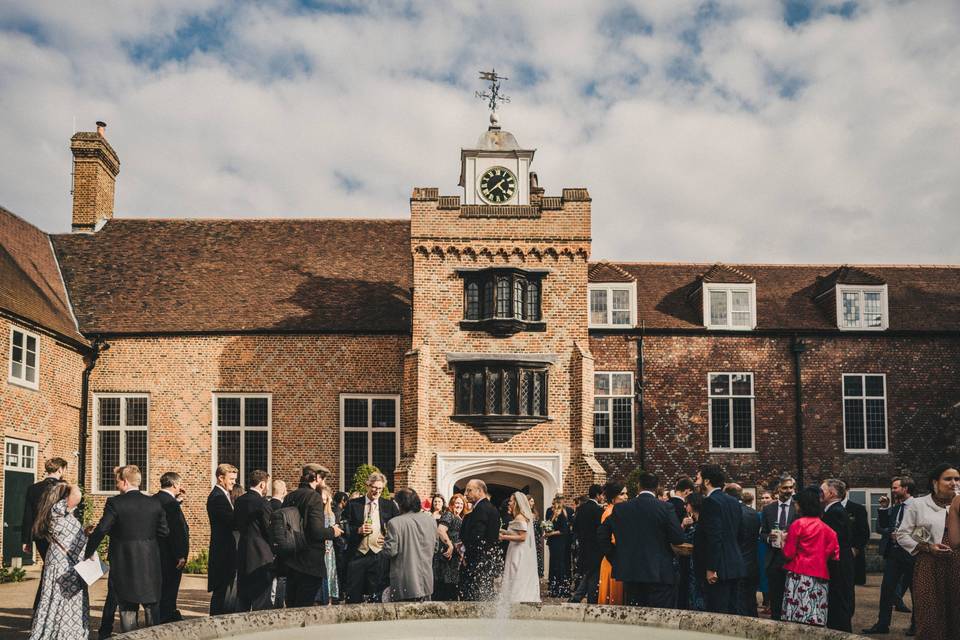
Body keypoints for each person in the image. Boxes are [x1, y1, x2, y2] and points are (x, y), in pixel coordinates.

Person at [86, 465, 169, 633]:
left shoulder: (115, 503)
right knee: (152, 610)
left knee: (128, 611)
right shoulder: (154, 503)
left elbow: (102, 529)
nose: (116, 485)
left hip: (124, 562)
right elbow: (164, 532)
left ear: (124, 481)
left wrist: (88, 551)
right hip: (149, 563)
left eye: (117, 481)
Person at [599, 471, 683, 607]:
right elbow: (678, 538)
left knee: (635, 615)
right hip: (659, 571)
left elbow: (602, 533)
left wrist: (614, 555)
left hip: (631, 571)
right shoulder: (665, 507)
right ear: (656, 488)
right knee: (660, 615)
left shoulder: (622, 509)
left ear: (638, 486)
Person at [895, 464, 959, 640]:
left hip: (957, 564)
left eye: (957, 479)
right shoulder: (919, 504)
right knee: (930, 610)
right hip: (929, 564)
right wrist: (928, 547)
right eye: (948, 479)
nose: (953, 482)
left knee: (956, 610)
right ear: (935, 482)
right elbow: (903, 534)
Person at [29, 482, 88, 640]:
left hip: (61, 560)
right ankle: (64, 633)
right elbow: (77, 495)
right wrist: (69, 484)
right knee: (65, 598)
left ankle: (59, 630)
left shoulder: (58, 512)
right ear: (63, 498)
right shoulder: (57, 509)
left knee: (57, 598)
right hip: (64, 564)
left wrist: (85, 532)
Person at [282, 465, 343, 607]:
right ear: (317, 477)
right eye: (324, 479)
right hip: (309, 561)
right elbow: (316, 531)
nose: (324, 483)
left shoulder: (290, 496)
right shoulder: (314, 497)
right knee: (304, 607)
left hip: (292, 559)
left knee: (292, 605)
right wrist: (333, 531)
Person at [863, 475, 917, 635]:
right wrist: (884, 508)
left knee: (916, 592)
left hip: (912, 555)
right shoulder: (897, 507)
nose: (892, 490)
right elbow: (886, 526)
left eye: (895, 487)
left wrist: (905, 537)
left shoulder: (918, 505)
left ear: (905, 489)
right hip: (893, 554)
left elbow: (924, 529)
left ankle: (916, 625)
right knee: (886, 590)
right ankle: (882, 625)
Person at [780, 487, 839, 627]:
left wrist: (783, 541)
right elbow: (834, 555)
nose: (795, 505)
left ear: (803, 505)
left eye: (796, 503)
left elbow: (788, 554)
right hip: (820, 576)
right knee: (815, 615)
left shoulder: (798, 524)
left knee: (795, 617)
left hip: (798, 575)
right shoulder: (828, 530)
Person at [693, 464, 745, 614]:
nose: (696, 482)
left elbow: (714, 537)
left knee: (717, 613)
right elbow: (740, 533)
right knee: (732, 612)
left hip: (718, 570)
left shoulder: (710, 502)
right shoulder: (733, 501)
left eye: (698, 478)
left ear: (707, 481)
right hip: (734, 564)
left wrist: (711, 568)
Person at [343, 471, 398, 603]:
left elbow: (397, 528)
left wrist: (387, 538)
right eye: (374, 487)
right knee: (353, 594)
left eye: (380, 488)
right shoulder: (353, 504)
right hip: (357, 555)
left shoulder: (389, 505)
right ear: (367, 485)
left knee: (377, 595)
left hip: (379, 556)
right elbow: (343, 528)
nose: (377, 491)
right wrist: (358, 530)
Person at [383, 488, 437, 602]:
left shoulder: (395, 522)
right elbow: (435, 548)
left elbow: (390, 551)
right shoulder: (431, 520)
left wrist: (383, 543)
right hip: (426, 582)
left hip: (405, 583)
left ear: (400, 504)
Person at [235, 470, 275, 611]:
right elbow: (268, 529)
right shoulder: (262, 503)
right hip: (261, 553)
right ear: (262, 484)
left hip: (243, 550)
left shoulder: (239, 500)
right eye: (267, 484)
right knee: (261, 598)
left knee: (243, 597)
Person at [820, 478, 855, 632]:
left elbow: (834, 541)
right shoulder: (835, 510)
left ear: (832, 493)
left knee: (839, 603)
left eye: (823, 491)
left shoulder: (835, 513)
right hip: (839, 563)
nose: (820, 494)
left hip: (838, 565)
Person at [760, 475, 797, 621]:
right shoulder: (768, 509)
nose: (788, 491)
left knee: (792, 596)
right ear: (778, 489)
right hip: (774, 559)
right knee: (775, 597)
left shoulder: (797, 507)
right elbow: (762, 533)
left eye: (790, 487)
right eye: (785, 488)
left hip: (792, 559)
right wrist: (769, 538)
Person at [154, 472, 189, 624]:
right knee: (170, 587)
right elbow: (176, 530)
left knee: (160, 587)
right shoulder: (172, 504)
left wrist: (177, 501)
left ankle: (162, 614)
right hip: (171, 554)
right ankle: (166, 617)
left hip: (156, 551)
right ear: (175, 485)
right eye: (179, 485)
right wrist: (180, 554)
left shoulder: (153, 500)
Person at [459, 479, 502, 601]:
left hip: (477, 560)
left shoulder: (481, 509)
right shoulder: (490, 508)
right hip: (486, 560)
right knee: (484, 593)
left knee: (474, 595)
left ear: (479, 491)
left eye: (469, 490)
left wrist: (465, 552)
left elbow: (477, 537)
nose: (465, 494)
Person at [21, 457, 69, 562]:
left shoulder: (33, 488)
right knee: (58, 565)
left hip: (40, 534)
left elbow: (28, 515)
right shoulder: (64, 488)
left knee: (47, 563)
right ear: (60, 469)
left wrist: (26, 540)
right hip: (60, 534)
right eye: (65, 469)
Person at [207, 463, 239, 615]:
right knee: (222, 591)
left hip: (225, 549)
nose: (234, 482)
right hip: (223, 551)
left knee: (227, 590)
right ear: (221, 478)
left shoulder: (223, 496)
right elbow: (232, 521)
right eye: (231, 478)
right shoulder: (217, 497)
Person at [725, 483, 760, 617]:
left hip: (736, 565)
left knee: (738, 606)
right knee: (751, 602)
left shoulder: (733, 513)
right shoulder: (754, 513)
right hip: (752, 563)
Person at [499, 491, 541, 603]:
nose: (509, 503)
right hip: (515, 548)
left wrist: (503, 537)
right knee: (515, 574)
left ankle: (515, 599)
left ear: (517, 503)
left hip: (518, 550)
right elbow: (515, 533)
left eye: (511, 501)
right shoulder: (520, 516)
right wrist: (502, 531)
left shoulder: (520, 517)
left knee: (515, 574)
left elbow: (522, 537)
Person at [569, 483, 604, 604]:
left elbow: (575, 528)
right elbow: (600, 530)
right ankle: (591, 601)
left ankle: (576, 598)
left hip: (583, 547)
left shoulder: (581, 509)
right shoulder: (599, 510)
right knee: (594, 575)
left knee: (588, 573)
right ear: (598, 495)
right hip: (595, 547)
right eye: (602, 495)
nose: (603, 497)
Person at [597, 481, 628, 605]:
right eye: (622, 494)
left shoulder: (617, 510)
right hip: (613, 559)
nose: (626, 497)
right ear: (613, 497)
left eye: (626, 493)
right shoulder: (610, 513)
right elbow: (607, 538)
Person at [434, 492, 465, 601]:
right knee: (445, 584)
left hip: (456, 556)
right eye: (457, 503)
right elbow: (441, 530)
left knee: (453, 584)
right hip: (448, 554)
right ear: (452, 504)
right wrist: (450, 545)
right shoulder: (448, 514)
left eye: (461, 504)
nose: (459, 506)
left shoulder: (459, 517)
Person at [544, 494, 573, 598]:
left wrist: (550, 533)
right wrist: (547, 531)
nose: (559, 501)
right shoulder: (549, 511)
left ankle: (562, 587)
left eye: (561, 499)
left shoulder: (566, 512)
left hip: (563, 541)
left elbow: (565, 530)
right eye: (558, 499)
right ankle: (554, 588)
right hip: (554, 542)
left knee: (563, 563)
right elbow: (547, 524)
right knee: (554, 563)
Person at [683, 492, 705, 611]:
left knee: (697, 594)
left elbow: (684, 540)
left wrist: (683, 526)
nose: (685, 507)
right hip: (700, 563)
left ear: (691, 505)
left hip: (696, 564)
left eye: (686, 504)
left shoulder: (698, 525)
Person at [317, 488, 340, 604]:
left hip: (328, 549)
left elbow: (332, 532)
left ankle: (329, 598)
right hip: (320, 548)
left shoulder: (330, 515)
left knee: (329, 573)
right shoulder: (316, 513)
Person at [843, 492, 871, 586]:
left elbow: (864, 531)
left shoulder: (858, 508)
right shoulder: (826, 508)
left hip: (853, 551)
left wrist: (856, 548)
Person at [757, 490, 772, 613]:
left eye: (767, 497)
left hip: (769, 547)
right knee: (762, 573)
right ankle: (766, 601)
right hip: (760, 545)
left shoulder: (773, 513)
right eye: (762, 498)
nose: (764, 500)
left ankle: (770, 602)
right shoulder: (759, 514)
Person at [528, 495, 545, 579]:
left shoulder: (535, 513)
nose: (533, 503)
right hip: (529, 538)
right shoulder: (524, 513)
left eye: (533, 501)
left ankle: (537, 574)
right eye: (531, 501)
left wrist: (543, 527)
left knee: (537, 555)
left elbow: (538, 528)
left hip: (536, 538)